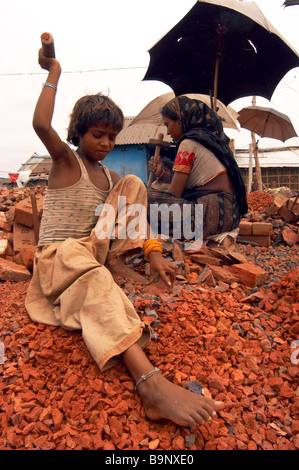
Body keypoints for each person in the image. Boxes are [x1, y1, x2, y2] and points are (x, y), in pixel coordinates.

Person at [25, 49, 225, 427]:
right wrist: (54, 71)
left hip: (91, 251)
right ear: (78, 134)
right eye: (97, 135)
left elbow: (134, 214)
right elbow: (40, 124)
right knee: (93, 275)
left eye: (112, 137)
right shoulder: (67, 163)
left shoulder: (111, 178)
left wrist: (153, 253)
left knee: (134, 183)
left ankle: (114, 263)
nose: (105, 143)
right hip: (59, 258)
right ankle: (149, 383)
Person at [147, 96, 248, 242]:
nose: (168, 132)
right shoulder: (209, 142)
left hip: (205, 218)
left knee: (140, 195)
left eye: (168, 124)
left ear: (181, 120)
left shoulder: (188, 143)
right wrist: (161, 173)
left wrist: (149, 193)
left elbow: (174, 194)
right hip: (230, 217)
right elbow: (195, 182)